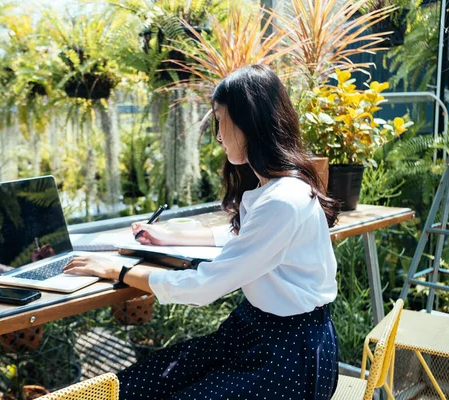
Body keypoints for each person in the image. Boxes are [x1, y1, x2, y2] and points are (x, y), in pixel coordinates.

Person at [64, 64, 340, 399]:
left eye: (219, 119)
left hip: (289, 358)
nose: (218, 135)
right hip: (254, 332)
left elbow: (202, 286)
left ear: (247, 121)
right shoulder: (276, 190)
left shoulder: (283, 199)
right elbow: (247, 239)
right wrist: (171, 237)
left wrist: (120, 271)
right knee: (134, 383)